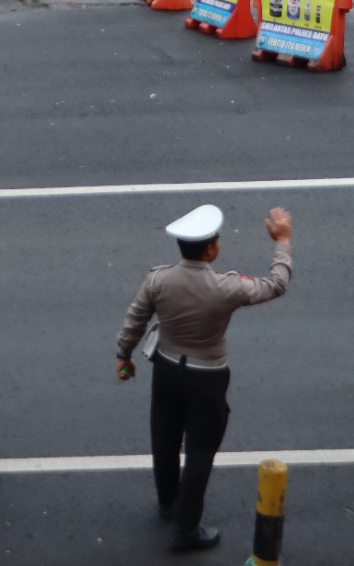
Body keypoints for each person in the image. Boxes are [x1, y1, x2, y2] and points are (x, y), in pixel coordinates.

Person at [115, 203, 294, 554]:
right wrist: (283, 241)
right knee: (199, 453)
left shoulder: (158, 279)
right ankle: (186, 529)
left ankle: (168, 503)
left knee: (164, 438)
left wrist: (124, 355)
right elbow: (276, 284)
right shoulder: (226, 287)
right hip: (207, 378)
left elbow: (135, 319)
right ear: (211, 249)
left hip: (166, 370)